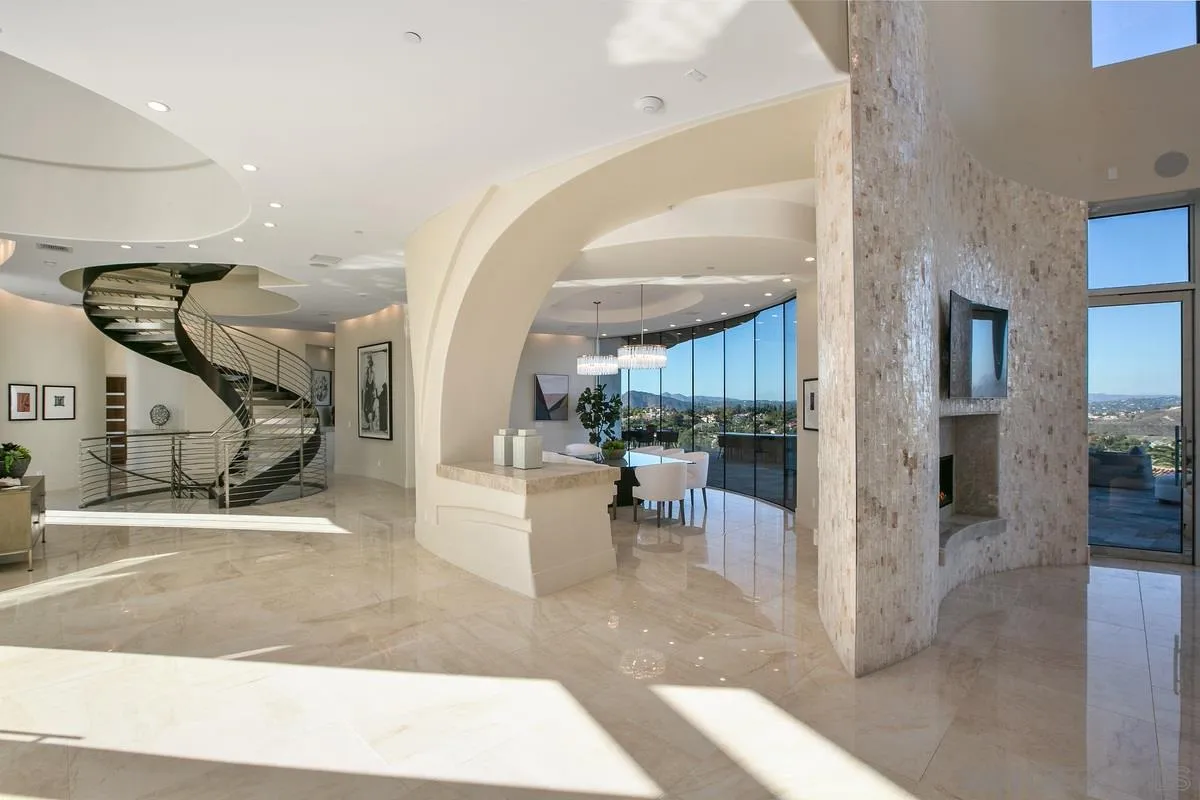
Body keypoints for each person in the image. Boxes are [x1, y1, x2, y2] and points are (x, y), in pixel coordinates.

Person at [361, 355, 377, 431]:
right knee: (367, 408)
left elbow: (371, 382)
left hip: (370, 393)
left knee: (369, 408)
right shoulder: (368, 372)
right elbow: (367, 384)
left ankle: (371, 427)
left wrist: (369, 373)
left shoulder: (371, 372)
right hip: (368, 392)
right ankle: (370, 427)